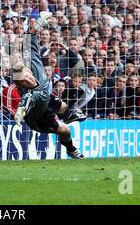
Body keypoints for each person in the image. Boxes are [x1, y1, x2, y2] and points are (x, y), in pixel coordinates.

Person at [10, 26, 87, 159]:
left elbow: (30, 38)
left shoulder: (34, 65)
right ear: (20, 84)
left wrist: (39, 23)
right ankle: (71, 149)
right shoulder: (30, 94)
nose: (28, 80)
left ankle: (68, 115)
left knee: (63, 106)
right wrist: (19, 114)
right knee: (65, 131)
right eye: (24, 81)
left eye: (27, 76)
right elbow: (24, 103)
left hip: (47, 99)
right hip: (39, 118)